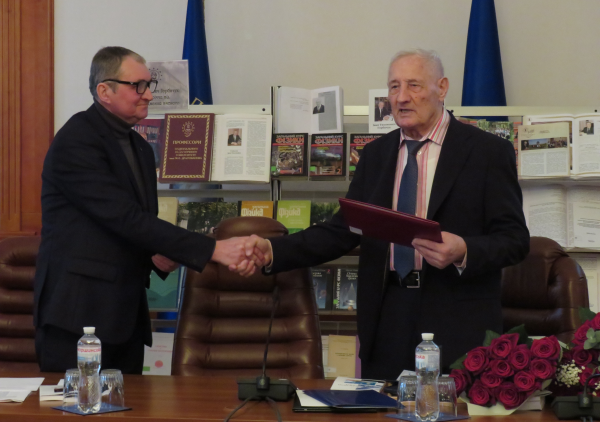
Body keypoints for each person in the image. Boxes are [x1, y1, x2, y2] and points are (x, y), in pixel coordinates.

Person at [239, 49, 529, 380]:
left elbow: (515, 240)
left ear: (442, 88)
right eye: (394, 87)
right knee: (382, 407)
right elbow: (341, 231)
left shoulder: (487, 152)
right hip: (386, 318)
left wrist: (463, 250)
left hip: (458, 321)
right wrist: (272, 250)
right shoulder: (375, 155)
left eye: (413, 85)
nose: (401, 98)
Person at [34, 46, 259, 374]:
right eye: (137, 86)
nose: (149, 95)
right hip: (79, 317)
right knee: (78, 404)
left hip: (125, 317)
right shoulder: (77, 140)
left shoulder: (139, 146)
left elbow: (134, 222)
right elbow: (123, 217)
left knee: (127, 403)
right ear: (105, 91)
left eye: (148, 85)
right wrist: (214, 250)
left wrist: (155, 253)